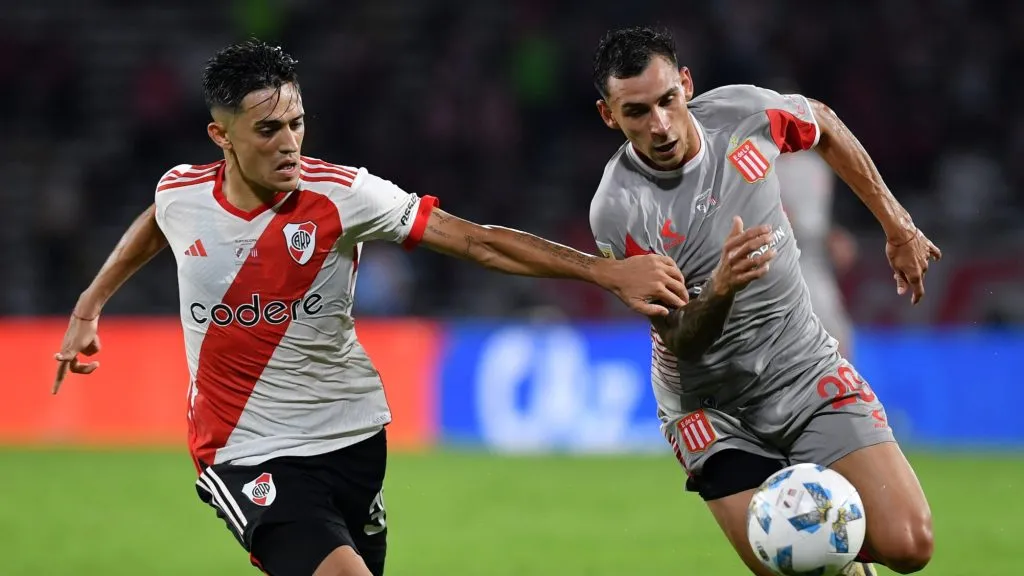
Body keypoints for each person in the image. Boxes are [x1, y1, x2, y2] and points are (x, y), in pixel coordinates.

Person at [51, 39, 689, 576]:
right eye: (267, 129)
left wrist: (604, 272)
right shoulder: (183, 191)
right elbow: (159, 219)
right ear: (222, 136)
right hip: (246, 449)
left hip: (354, 438)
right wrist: (91, 303)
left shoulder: (345, 195)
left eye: (297, 123)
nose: (289, 143)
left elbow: (476, 241)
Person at [588, 26, 941, 576]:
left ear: (686, 84)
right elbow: (678, 338)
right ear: (609, 115)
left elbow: (821, 122)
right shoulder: (619, 209)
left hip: (803, 369)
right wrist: (722, 289)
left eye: (667, 100)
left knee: (911, 545)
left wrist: (897, 226)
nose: (659, 125)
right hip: (712, 406)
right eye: (636, 112)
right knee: (792, 565)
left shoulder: (744, 116)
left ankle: (844, 560)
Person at [777, 149, 858, 359]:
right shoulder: (754, 157)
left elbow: (818, 222)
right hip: (768, 265)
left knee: (838, 337)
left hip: (811, 264)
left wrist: (835, 237)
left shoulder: (816, 165)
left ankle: (841, 391)